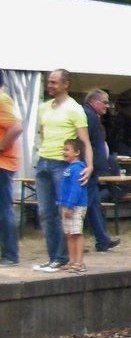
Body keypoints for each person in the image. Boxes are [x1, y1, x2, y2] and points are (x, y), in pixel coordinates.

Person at [34, 69, 92, 272]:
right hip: (44, 160)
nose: (50, 86)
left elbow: (85, 141)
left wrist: (89, 165)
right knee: (45, 212)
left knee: (64, 212)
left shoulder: (75, 109)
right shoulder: (43, 108)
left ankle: (62, 258)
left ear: (65, 84)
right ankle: (54, 257)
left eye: (53, 82)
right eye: (48, 82)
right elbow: (42, 134)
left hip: (62, 165)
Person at [82, 89, 121, 252]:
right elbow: (85, 142)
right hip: (87, 168)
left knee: (92, 204)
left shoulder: (91, 115)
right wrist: (90, 164)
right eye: (104, 102)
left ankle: (102, 239)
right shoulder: (88, 115)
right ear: (94, 101)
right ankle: (74, 240)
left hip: (91, 167)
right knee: (84, 204)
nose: (107, 106)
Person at [0, 72, 24, 267]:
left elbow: (16, 127)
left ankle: (10, 254)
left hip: (3, 163)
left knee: (4, 209)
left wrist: (0, 146)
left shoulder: (2, 99)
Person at [56, 138, 90, 274]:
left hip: (76, 205)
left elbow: (76, 189)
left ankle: (79, 262)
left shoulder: (77, 169)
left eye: (67, 150)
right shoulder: (69, 168)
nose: (64, 152)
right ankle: (71, 260)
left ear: (77, 152)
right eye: (64, 149)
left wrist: (70, 206)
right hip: (66, 205)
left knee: (76, 233)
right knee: (69, 234)